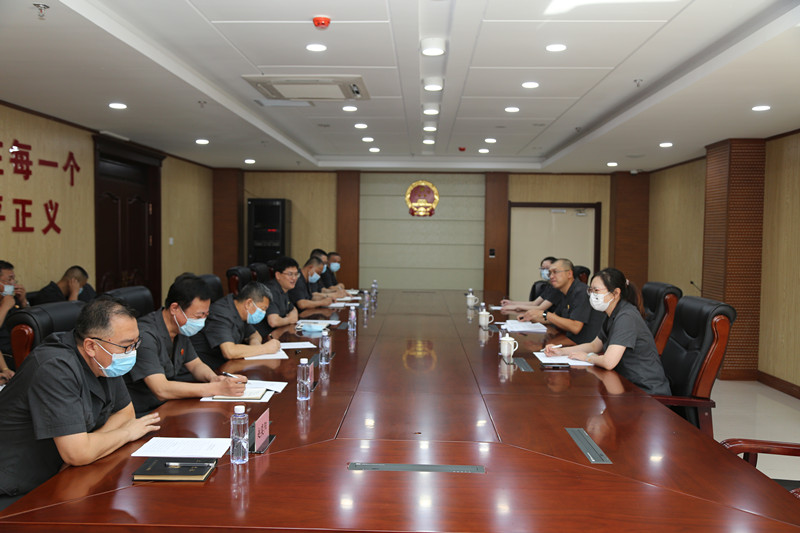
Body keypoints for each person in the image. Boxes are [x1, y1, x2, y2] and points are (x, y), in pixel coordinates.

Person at [0, 296, 161, 498]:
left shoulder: (105, 362)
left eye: (136, 343)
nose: (132, 352)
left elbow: (126, 414)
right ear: (91, 346)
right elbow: (79, 452)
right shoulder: (55, 367)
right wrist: (126, 434)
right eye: (126, 346)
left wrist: (89, 446)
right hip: (17, 487)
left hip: (66, 474)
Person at [125, 274, 247, 415]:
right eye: (198, 316)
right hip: (143, 412)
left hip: (169, 405)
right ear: (174, 308)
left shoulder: (180, 328)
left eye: (206, 315)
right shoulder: (145, 336)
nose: (202, 321)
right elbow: (161, 389)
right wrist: (216, 389)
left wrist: (214, 379)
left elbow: (195, 365)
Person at [543, 267, 671, 395]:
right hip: (626, 386)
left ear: (615, 293)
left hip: (647, 393)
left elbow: (609, 362)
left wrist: (588, 358)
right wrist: (561, 351)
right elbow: (594, 346)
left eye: (596, 290)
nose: (592, 295)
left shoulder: (626, 317)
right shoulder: (611, 313)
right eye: (590, 290)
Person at [191, 281, 281, 370]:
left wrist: (256, 345)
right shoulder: (221, 314)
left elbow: (254, 334)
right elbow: (229, 351)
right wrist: (264, 348)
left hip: (227, 365)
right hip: (207, 369)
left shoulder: (239, 310)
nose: (263, 313)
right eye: (262, 309)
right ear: (249, 303)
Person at [520, 258, 603, 345]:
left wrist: (544, 314)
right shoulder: (564, 292)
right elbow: (554, 318)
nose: (551, 276)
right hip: (571, 339)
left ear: (569, 274)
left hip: (587, 345)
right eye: (550, 273)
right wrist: (530, 317)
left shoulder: (581, 292)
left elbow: (575, 327)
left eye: (555, 272)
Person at [0, 260, 30, 374]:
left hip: (22, 349)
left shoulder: (13, 300)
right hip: (6, 356)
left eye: (14, 279)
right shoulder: (7, 302)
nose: (13, 283)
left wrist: (23, 302)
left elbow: (30, 323)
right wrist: (5, 307)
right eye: (9, 279)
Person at [30, 265, 98, 305]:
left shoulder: (65, 295)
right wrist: (74, 293)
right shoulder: (48, 296)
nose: (81, 289)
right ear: (73, 282)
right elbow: (70, 316)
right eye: (81, 286)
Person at [265, 257, 300, 333]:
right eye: (290, 274)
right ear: (278, 275)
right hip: (266, 336)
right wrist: (290, 319)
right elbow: (273, 322)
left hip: (279, 332)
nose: (294, 278)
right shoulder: (271, 291)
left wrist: (286, 320)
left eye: (296, 274)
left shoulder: (284, 289)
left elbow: (294, 309)